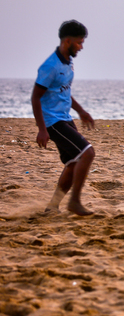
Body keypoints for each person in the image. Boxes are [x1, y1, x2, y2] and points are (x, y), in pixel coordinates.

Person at [31, 20, 96, 216]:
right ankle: (74, 202)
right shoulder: (50, 66)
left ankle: (52, 206)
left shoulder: (68, 62)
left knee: (74, 162)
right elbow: (35, 97)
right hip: (53, 121)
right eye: (79, 42)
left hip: (65, 117)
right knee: (88, 153)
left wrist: (81, 111)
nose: (82, 47)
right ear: (67, 41)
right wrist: (42, 129)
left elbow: (64, 92)